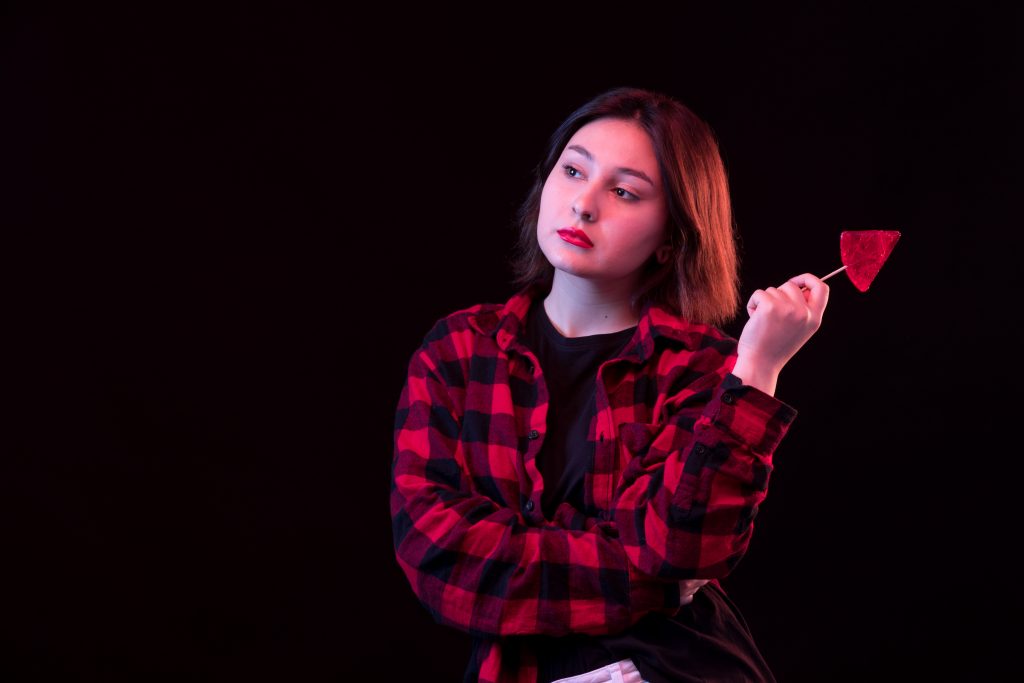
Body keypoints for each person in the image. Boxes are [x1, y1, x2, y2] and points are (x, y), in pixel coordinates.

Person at [390, 86, 829, 683]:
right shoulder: (458, 352)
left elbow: (683, 547)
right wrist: (645, 576)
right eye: (573, 171)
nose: (584, 205)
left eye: (624, 191)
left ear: (673, 234)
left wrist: (757, 372)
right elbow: (438, 557)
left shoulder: (701, 368)